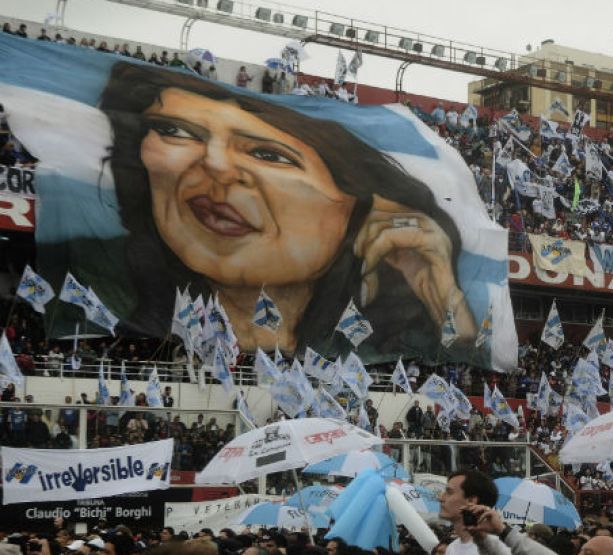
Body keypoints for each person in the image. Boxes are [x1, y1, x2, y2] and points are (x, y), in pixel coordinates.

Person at [98, 62, 476, 356]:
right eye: (177, 131)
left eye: (268, 154)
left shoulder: (380, 341)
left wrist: (445, 302)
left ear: (362, 207)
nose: (214, 164)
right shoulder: (96, 301)